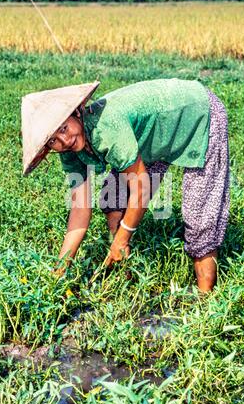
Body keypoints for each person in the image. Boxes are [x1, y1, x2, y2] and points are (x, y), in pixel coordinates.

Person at [21, 78, 230, 292]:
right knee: (113, 200)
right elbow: (80, 209)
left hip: (197, 113)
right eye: (53, 140)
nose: (64, 140)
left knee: (199, 217)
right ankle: (125, 272)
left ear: (76, 113)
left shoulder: (107, 129)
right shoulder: (69, 150)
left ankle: (206, 303)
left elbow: (142, 189)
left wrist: (122, 237)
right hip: (154, 134)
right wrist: (59, 271)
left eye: (64, 128)